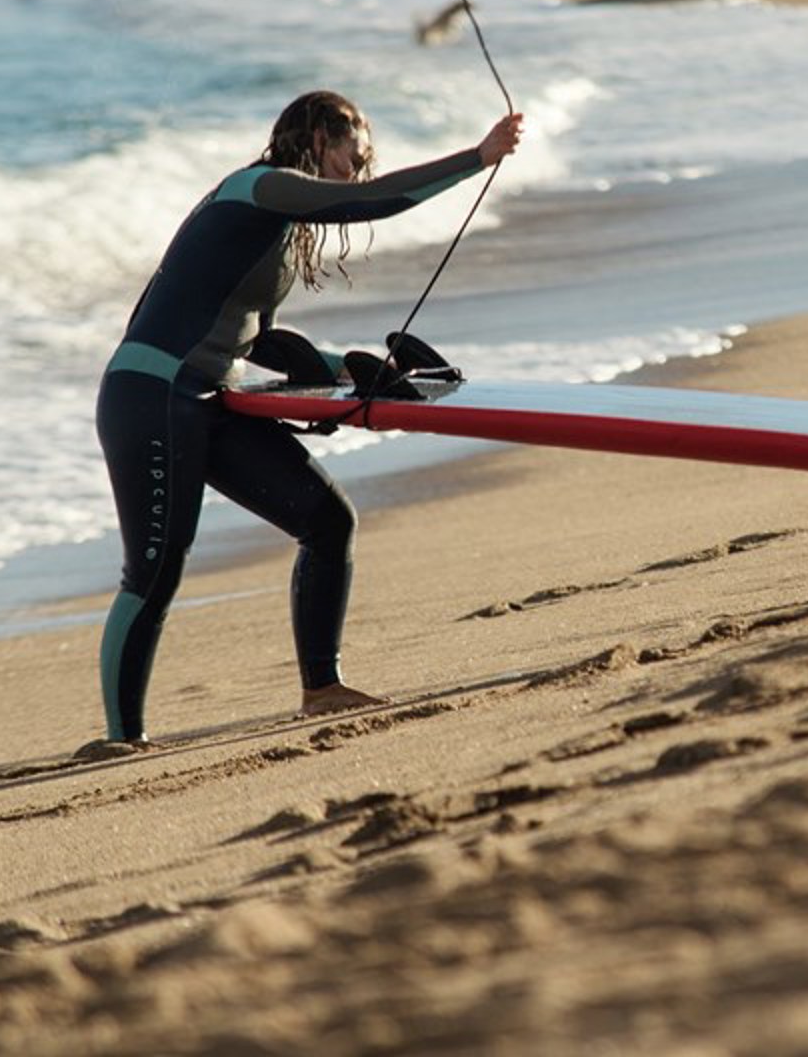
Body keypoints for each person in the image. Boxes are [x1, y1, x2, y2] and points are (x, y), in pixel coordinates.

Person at [87, 91, 524, 753]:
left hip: (209, 395)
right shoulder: (262, 188)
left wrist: (353, 370)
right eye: (357, 153)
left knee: (327, 520)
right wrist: (478, 157)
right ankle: (121, 737)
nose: (361, 169)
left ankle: (321, 688)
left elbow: (254, 338)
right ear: (320, 138)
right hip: (151, 395)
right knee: (154, 567)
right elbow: (369, 202)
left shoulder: (279, 229)